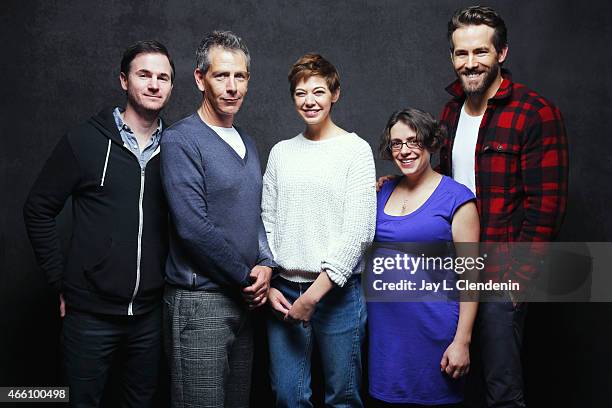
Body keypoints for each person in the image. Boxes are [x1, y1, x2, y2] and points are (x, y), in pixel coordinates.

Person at [23, 40, 174, 407]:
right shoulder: (85, 141)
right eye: (144, 75)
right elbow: (38, 208)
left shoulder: (177, 148)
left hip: (149, 318)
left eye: (163, 77)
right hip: (89, 316)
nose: (154, 84)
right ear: (124, 80)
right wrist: (61, 280)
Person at [440, 6, 568, 407]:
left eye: (481, 52)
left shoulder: (535, 113)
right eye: (461, 53)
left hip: (501, 273)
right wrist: (393, 185)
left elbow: (547, 207)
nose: (470, 63)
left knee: (501, 392)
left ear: (502, 54)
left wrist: (517, 283)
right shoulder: (451, 110)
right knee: (455, 384)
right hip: (456, 269)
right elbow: (442, 183)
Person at [160, 31, 275, 408]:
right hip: (200, 301)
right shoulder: (182, 140)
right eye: (221, 76)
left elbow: (254, 210)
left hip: (243, 302)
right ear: (199, 79)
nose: (232, 87)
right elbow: (192, 227)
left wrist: (265, 264)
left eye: (239, 77)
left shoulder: (247, 140)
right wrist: (247, 278)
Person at [261, 53, 376, 407]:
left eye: (318, 91)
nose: (309, 101)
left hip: (336, 295)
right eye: (300, 93)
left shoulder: (356, 151)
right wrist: (268, 285)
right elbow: (267, 220)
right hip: (283, 292)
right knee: (287, 396)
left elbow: (360, 231)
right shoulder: (281, 152)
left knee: (342, 396)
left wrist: (312, 296)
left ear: (334, 93)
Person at [368, 108, 480, 407]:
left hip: (435, 334)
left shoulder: (457, 197)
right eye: (396, 143)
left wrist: (462, 341)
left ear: (431, 143)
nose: (404, 150)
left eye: (413, 141)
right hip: (386, 339)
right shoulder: (382, 191)